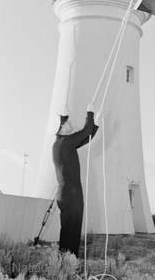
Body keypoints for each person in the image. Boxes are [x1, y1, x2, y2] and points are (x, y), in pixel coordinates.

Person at [52, 107, 99, 257]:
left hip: (65, 194)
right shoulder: (66, 142)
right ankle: (69, 264)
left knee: (67, 231)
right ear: (62, 127)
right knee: (72, 232)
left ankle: (64, 263)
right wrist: (90, 113)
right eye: (67, 122)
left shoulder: (60, 144)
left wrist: (94, 123)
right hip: (71, 195)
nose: (70, 123)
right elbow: (85, 132)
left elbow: (86, 138)